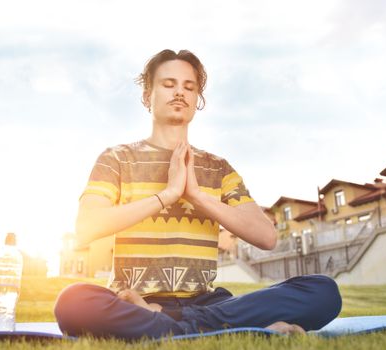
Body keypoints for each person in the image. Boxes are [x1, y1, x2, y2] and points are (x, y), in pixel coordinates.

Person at [54, 49, 341, 339]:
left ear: (196, 100)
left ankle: (171, 323)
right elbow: (86, 227)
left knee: (323, 291)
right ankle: (229, 331)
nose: (179, 92)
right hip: (135, 300)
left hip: (206, 303)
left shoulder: (218, 168)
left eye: (188, 87)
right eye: (168, 84)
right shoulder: (116, 159)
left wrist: (197, 196)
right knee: (72, 303)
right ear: (147, 94)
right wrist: (167, 195)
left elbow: (266, 237)